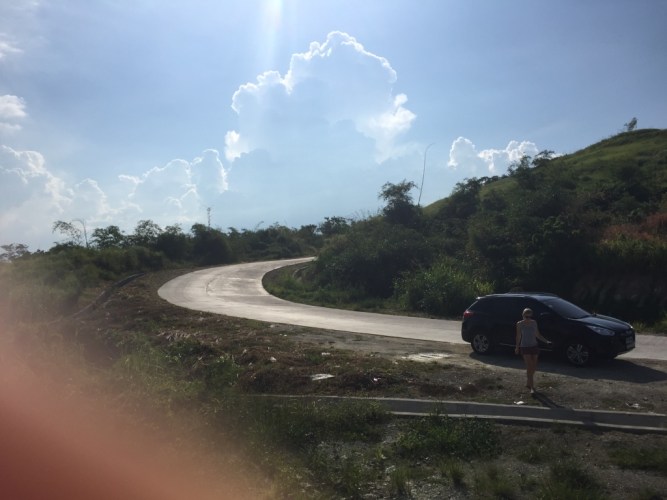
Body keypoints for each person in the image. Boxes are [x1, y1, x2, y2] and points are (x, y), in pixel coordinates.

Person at [515, 308, 551, 394]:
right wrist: (517, 347)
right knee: (529, 365)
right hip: (525, 346)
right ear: (523, 315)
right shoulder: (519, 324)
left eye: (529, 316)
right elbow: (518, 336)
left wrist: (546, 341)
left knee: (534, 367)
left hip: (534, 346)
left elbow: (537, 334)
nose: (528, 318)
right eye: (526, 316)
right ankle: (532, 387)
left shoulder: (534, 322)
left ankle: (528, 381)